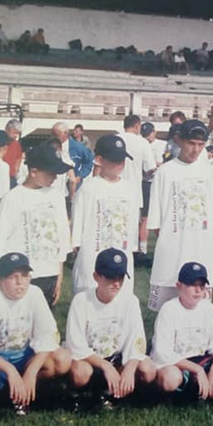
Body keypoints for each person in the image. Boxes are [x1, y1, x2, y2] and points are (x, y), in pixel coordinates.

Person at [0, 253, 70, 416]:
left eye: (24, 276)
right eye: (13, 277)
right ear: (0, 281)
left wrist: (31, 372)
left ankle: (24, 393)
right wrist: (9, 370)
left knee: (62, 359)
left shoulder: (35, 294)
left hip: (24, 356)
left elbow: (47, 337)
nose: (20, 283)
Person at [146, 120, 213, 312]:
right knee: (164, 312)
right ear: (180, 141)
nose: (196, 149)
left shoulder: (212, 175)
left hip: (201, 253)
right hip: (170, 258)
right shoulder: (165, 172)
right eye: (191, 143)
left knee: (199, 313)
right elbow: (155, 221)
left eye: (200, 145)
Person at [0, 142, 72, 308]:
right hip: (21, 276)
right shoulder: (13, 197)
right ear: (33, 172)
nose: (55, 177)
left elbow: (61, 236)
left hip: (49, 273)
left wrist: (59, 275)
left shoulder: (56, 196)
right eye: (50, 173)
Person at [66, 248, 155, 407]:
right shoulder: (81, 301)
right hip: (90, 360)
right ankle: (79, 394)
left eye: (120, 277)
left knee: (148, 369)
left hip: (117, 358)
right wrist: (105, 366)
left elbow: (137, 340)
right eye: (110, 277)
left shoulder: (130, 301)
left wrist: (129, 368)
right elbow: (76, 345)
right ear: (96, 276)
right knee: (80, 373)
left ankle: (118, 391)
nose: (116, 283)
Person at [151, 262, 213, 400]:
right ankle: (186, 391)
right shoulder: (169, 309)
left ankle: (205, 386)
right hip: (178, 362)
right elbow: (163, 352)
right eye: (192, 285)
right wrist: (197, 370)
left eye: (201, 286)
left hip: (202, 359)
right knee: (169, 380)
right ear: (179, 286)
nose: (197, 290)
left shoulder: (207, 308)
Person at [71, 134, 139, 296]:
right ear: (99, 160)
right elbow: (77, 224)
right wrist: (76, 244)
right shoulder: (88, 188)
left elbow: (132, 224)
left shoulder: (130, 189)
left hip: (121, 254)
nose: (119, 164)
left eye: (121, 160)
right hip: (92, 256)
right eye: (114, 160)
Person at [118, 115, 157, 214]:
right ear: (137, 126)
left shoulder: (114, 139)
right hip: (134, 191)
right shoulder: (143, 142)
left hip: (114, 189)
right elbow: (151, 168)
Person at [137, 122, 165, 258]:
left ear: (154, 132)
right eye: (145, 135)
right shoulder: (142, 144)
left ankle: (165, 247)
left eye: (149, 134)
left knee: (162, 216)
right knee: (144, 218)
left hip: (159, 182)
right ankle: (142, 249)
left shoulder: (162, 144)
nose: (147, 137)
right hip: (146, 183)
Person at [2, 119, 23, 189]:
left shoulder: (16, 144)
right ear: (7, 129)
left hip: (11, 176)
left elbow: (19, 157)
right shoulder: (0, 142)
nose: (16, 135)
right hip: (1, 175)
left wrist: (16, 169)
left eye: (18, 133)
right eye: (14, 133)